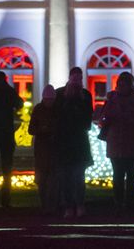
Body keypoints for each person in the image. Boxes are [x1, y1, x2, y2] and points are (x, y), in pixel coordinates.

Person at [94, 71, 134, 210]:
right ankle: (119, 202)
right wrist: (106, 119)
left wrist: (132, 120)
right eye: (120, 84)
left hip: (131, 142)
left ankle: (130, 201)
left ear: (130, 85)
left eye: (124, 84)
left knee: (131, 175)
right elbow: (102, 119)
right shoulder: (112, 100)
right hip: (116, 143)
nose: (122, 86)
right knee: (119, 175)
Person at [53, 67, 95, 218]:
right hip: (64, 142)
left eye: (79, 78)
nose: (77, 81)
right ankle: (69, 206)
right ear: (70, 78)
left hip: (78, 142)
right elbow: (56, 117)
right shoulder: (60, 94)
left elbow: (87, 121)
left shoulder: (85, 96)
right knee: (66, 178)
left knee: (78, 177)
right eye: (75, 78)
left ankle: (79, 205)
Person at [0, 71, 24, 210]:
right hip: (6, 135)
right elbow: (20, 103)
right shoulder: (8, 92)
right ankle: (5, 199)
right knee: (6, 169)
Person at [29, 84, 59, 214]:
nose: (49, 102)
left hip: (53, 150)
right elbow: (31, 129)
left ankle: (52, 205)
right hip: (42, 150)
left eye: (51, 100)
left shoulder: (57, 110)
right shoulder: (39, 109)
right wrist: (42, 130)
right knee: (42, 181)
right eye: (47, 99)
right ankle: (45, 205)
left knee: (52, 181)